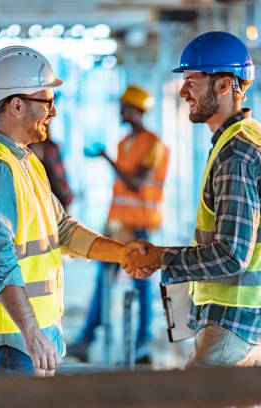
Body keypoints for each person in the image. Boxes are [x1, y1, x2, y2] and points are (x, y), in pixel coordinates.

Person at [0, 46, 144, 377]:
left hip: (27, 338)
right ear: (17, 105)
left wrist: (122, 253)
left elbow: (62, 229)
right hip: (8, 342)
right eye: (46, 102)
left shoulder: (24, 161)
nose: (52, 112)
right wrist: (32, 332)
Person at [121, 31, 261, 369]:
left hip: (232, 320)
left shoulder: (237, 154)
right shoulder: (245, 138)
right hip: (244, 317)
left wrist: (162, 258)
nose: (184, 92)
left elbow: (231, 255)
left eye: (192, 82)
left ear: (225, 85)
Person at [68, 85, 169, 363]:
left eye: (125, 107)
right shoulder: (124, 142)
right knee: (102, 283)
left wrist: (106, 159)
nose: (121, 111)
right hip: (118, 226)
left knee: (142, 286)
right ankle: (87, 340)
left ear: (137, 111)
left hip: (139, 228)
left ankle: (144, 343)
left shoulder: (153, 144)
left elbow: (135, 183)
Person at [30, 125, 74, 213]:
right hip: (40, 202)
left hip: (55, 200)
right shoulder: (24, 150)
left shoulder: (51, 148)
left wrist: (65, 198)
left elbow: (59, 176)